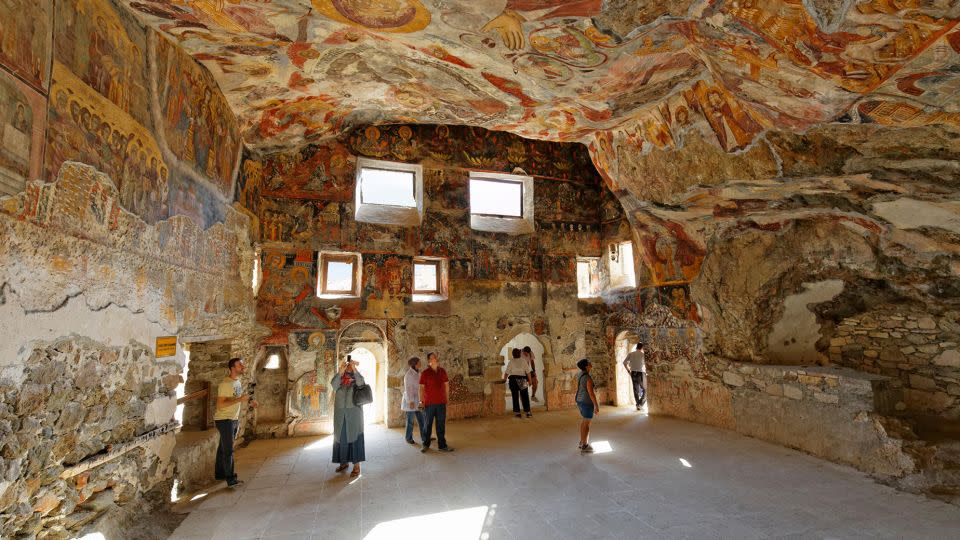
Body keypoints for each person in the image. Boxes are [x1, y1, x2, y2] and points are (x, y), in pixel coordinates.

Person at [214, 358, 258, 488]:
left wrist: (249, 401)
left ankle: (220, 473)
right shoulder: (225, 384)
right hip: (224, 420)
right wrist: (240, 399)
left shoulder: (237, 382)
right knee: (228, 451)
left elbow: (237, 398)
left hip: (232, 419)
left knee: (222, 449)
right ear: (232, 368)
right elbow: (220, 405)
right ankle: (231, 479)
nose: (243, 366)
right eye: (240, 365)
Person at [331, 355, 366, 477]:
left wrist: (355, 369)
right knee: (341, 438)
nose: (348, 368)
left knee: (355, 438)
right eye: (347, 365)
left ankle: (357, 466)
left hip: (354, 414)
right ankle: (343, 462)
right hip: (340, 414)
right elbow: (334, 385)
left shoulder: (357, 377)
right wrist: (340, 372)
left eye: (350, 365)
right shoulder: (339, 378)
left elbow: (362, 384)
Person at [419, 352, 454, 453]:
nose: (434, 359)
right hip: (429, 403)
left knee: (441, 425)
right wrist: (421, 401)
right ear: (429, 361)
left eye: (435, 357)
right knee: (427, 424)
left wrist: (447, 399)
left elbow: (447, 385)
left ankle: (442, 446)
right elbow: (421, 388)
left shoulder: (442, 371)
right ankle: (425, 444)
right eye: (432, 358)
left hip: (441, 403)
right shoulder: (425, 373)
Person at [574, 358, 599, 453]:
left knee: (584, 422)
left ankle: (582, 441)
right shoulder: (587, 378)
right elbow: (591, 393)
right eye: (589, 363)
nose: (591, 363)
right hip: (586, 402)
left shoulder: (580, 374)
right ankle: (585, 445)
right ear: (586, 366)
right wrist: (596, 406)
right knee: (587, 423)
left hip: (579, 400)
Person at [402, 356, 425, 446]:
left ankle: (424, 436)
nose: (420, 363)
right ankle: (408, 437)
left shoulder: (419, 373)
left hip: (418, 399)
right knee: (410, 421)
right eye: (419, 362)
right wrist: (411, 401)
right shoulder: (408, 375)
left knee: (422, 420)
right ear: (415, 364)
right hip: (410, 400)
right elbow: (408, 389)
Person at [503, 348, 533, 418]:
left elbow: (507, 372)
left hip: (513, 380)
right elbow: (528, 372)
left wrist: (504, 380)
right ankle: (527, 412)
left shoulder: (511, 361)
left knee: (515, 396)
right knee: (525, 396)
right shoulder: (523, 361)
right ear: (519, 354)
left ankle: (517, 413)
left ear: (513, 354)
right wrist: (530, 381)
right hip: (522, 379)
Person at [623, 343, 646, 410]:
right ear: (642, 348)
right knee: (645, 390)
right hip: (640, 373)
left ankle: (638, 404)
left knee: (636, 390)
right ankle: (640, 404)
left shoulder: (631, 354)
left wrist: (628, 371)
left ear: (636, 347)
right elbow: (646, 364)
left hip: (633, 373)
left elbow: (624, 362)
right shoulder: (643, 355)